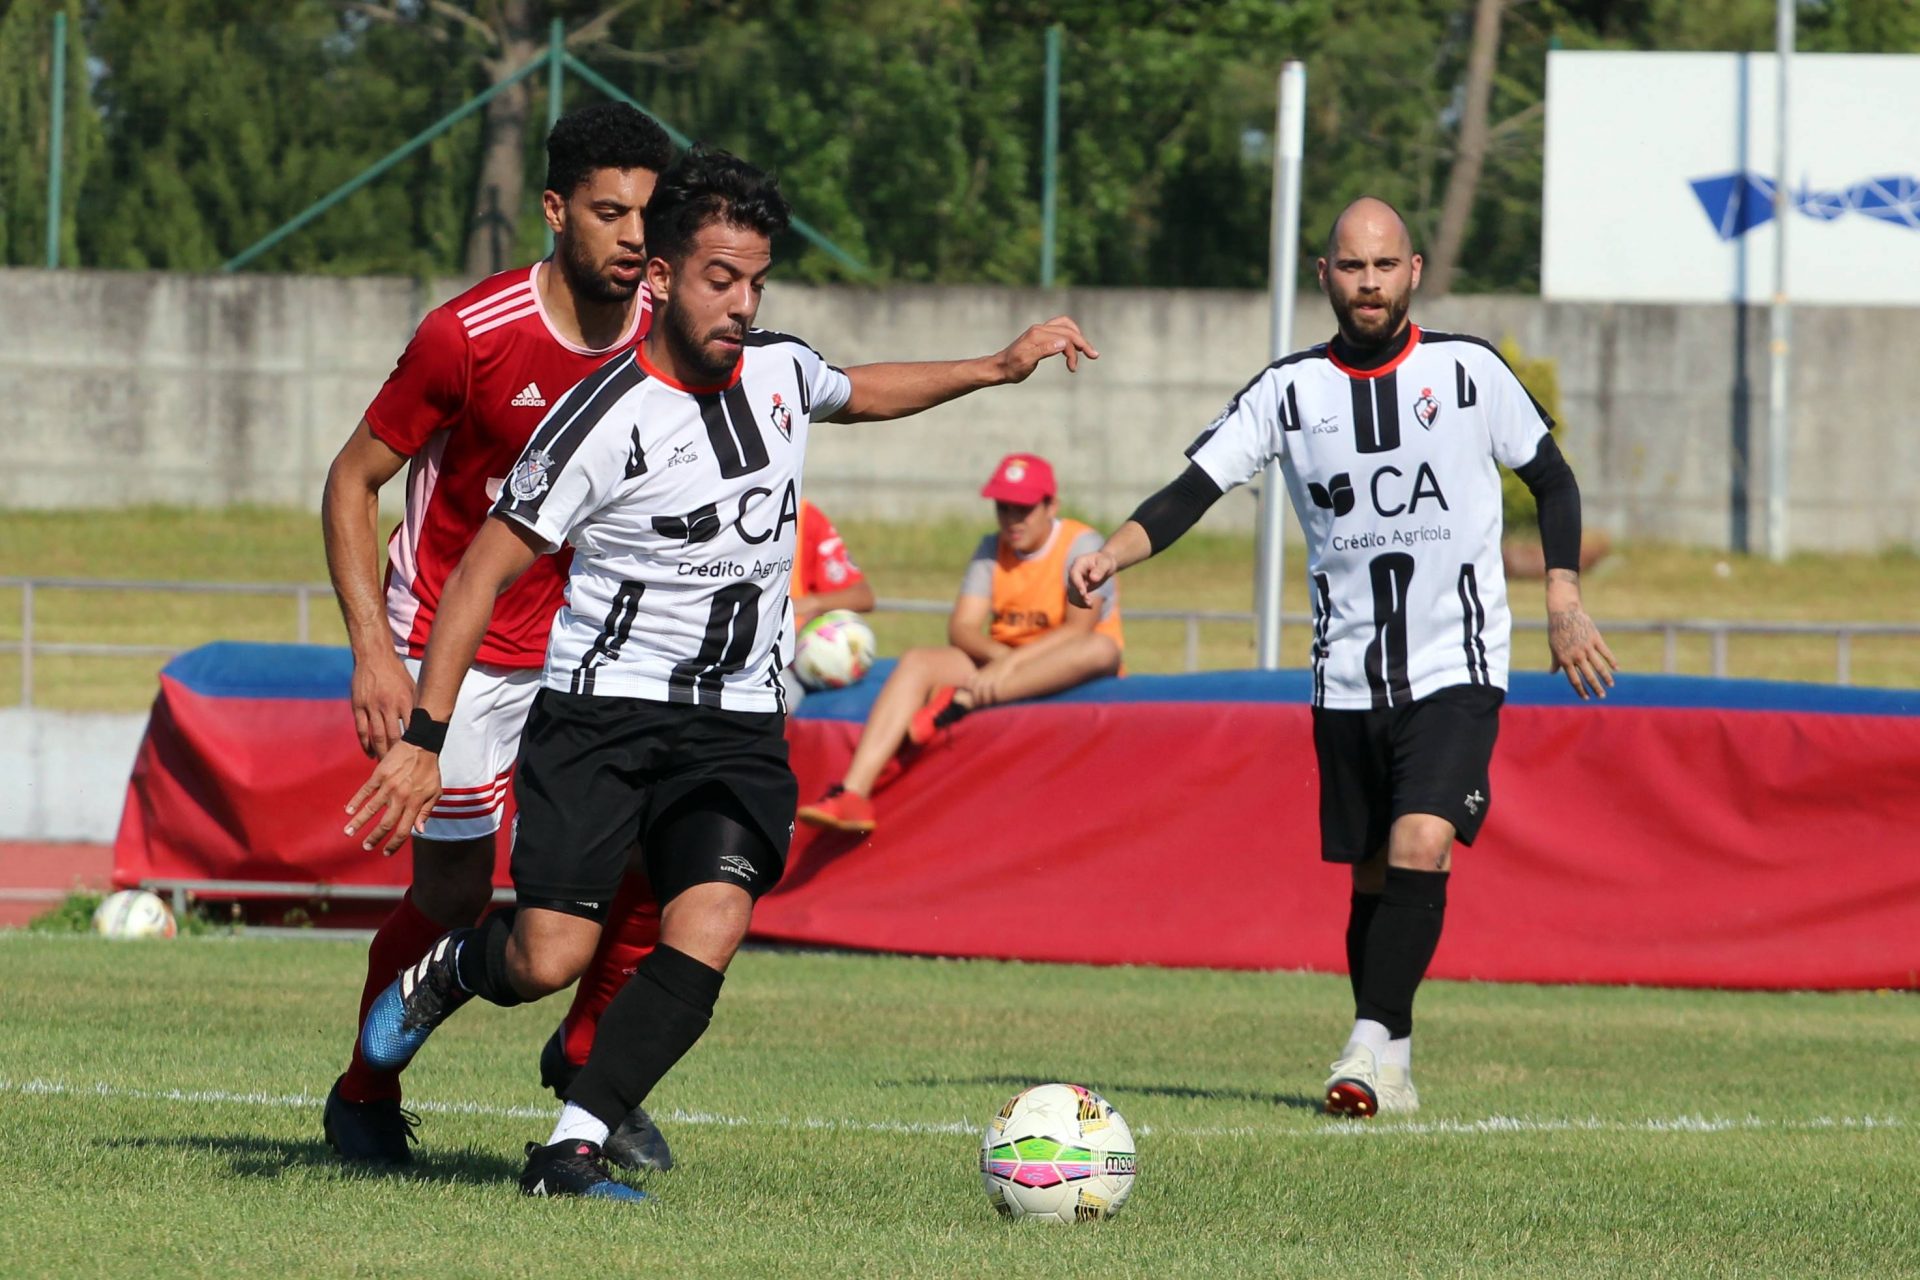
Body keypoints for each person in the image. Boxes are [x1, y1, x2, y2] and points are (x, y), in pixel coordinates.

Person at [342, 147, 1097, 1201]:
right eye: (720, 279)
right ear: (660, 278)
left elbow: (862, 390)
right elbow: (478, 574)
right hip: (602, 716)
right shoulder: (599, 416)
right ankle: (457, 970)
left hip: (735, 721)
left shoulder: (780, 371)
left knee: (711, 922)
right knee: (549, 955)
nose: (743, 303)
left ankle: (571, 1147)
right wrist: (424, 735)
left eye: (757, 282)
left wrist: (996, 366)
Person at [1067, 197, 1616, 1118]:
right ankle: (1391, 1058)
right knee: (1371, 873)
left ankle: (1365, 1044)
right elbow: (1195, 488)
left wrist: (1562, 596)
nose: (1369, 284)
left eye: (1385, 265)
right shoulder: (1288, 391)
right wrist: (1110, 553)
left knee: (1422, 840)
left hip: (1458, 662)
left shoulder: (1468, 371)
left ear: (1413, 272)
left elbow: (1551, 478)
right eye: (1352, 267)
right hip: (1347, 674)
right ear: (1324, 275)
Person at [318, 102, 676, 1169]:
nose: (633, 237)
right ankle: (364, 1090)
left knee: (653, 858)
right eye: (609, 213)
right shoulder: (468, 334)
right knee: (454, 896)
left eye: (648, 215)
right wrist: (372, 653)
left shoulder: (669, 327)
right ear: (556, 210)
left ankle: (588, 1066)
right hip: (451, 647)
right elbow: (351, 480)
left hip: (588, 651)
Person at [796, 453, 1123, 835]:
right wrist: (1003, 659)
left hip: (1064, 660)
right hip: (1002, 662)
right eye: (1003, 508)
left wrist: (1010, 666)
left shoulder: (1082, 543)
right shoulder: (992, 547)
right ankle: (853, 793)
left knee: (1102, 650)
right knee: (918, 660)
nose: (1012, 519)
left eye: (1024, 509)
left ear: (1052, 506)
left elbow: (1078, 631)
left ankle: (960, 702)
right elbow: (963, 628)